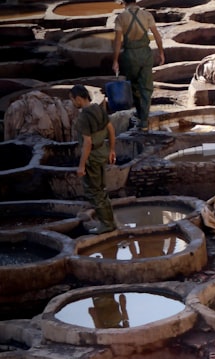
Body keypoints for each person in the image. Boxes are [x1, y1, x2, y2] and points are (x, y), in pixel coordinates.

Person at [69, 85, 117, 234]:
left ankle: (106, 224)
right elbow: (111, 129)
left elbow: (87, 143)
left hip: (93, 157)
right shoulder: (98, 109)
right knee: (101, 190)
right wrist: (111, 150)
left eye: (72, 99)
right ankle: (110, 221)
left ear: (78, 99)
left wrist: (81, 165)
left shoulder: (83, 117)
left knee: (94, 192)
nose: (72, 103)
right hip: (102, 152)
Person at [111, 0, 165, 131]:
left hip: (130, 55)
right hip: (145, 54)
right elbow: (157, 36)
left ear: (124, 3)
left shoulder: (121, 17)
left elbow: (118, 41)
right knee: (146, 88)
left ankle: (141, 115)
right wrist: (161, 53)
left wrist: (115, 60)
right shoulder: (146, 15)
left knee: (134, 86)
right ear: (135, 1)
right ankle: (144, 120)